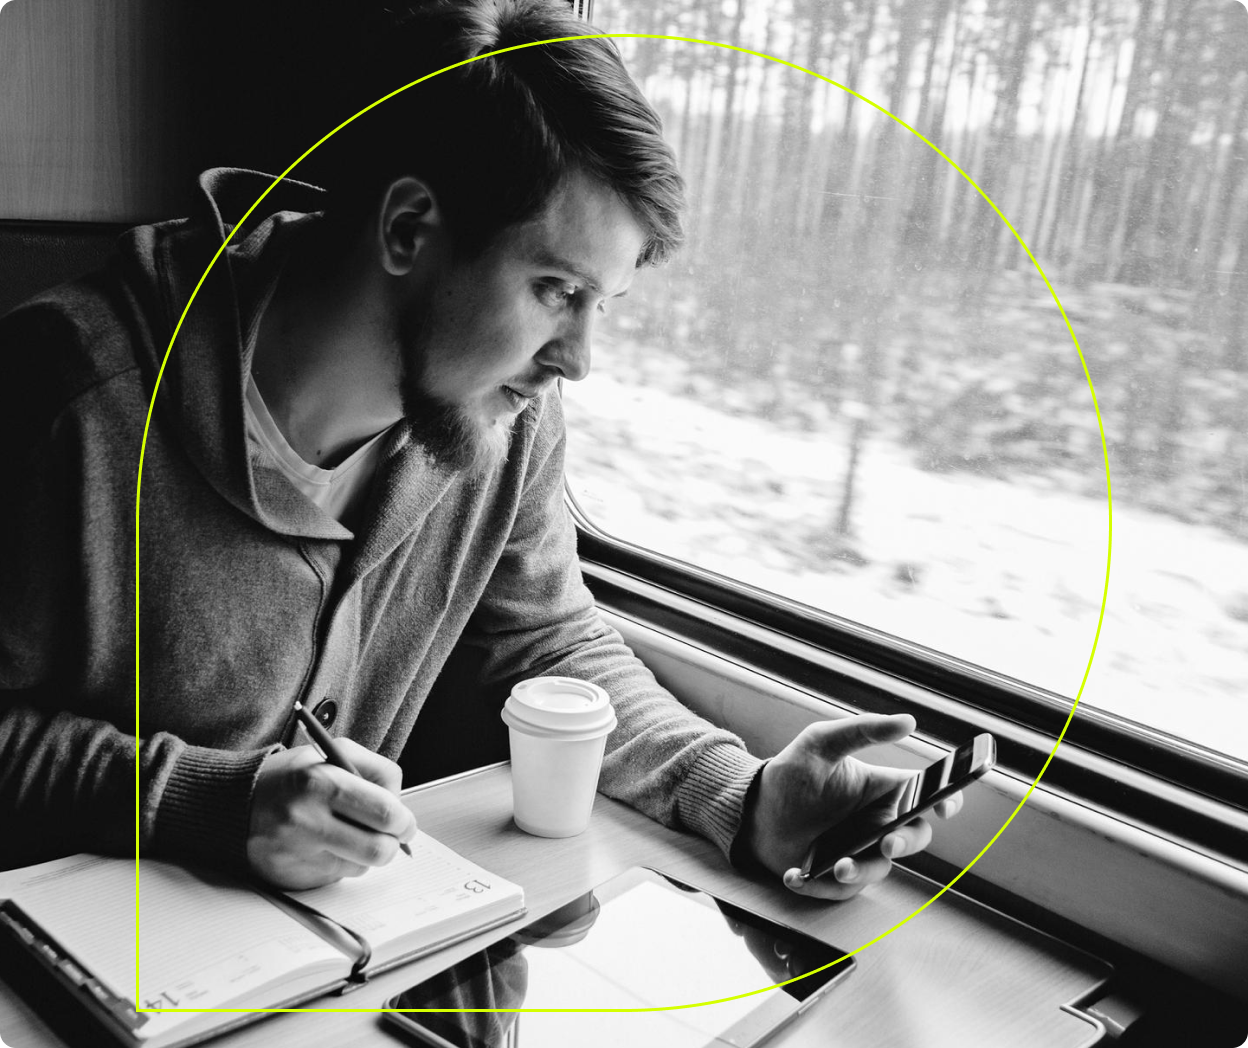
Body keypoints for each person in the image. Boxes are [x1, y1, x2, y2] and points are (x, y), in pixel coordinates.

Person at [0, 0, 957, 896]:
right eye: (554, 290)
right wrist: (207, 802)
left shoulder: (503, 420)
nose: (579, 361)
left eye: (602, 306)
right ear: (409, 228)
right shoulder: (68, 401)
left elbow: (550, 639)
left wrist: (741, 795)